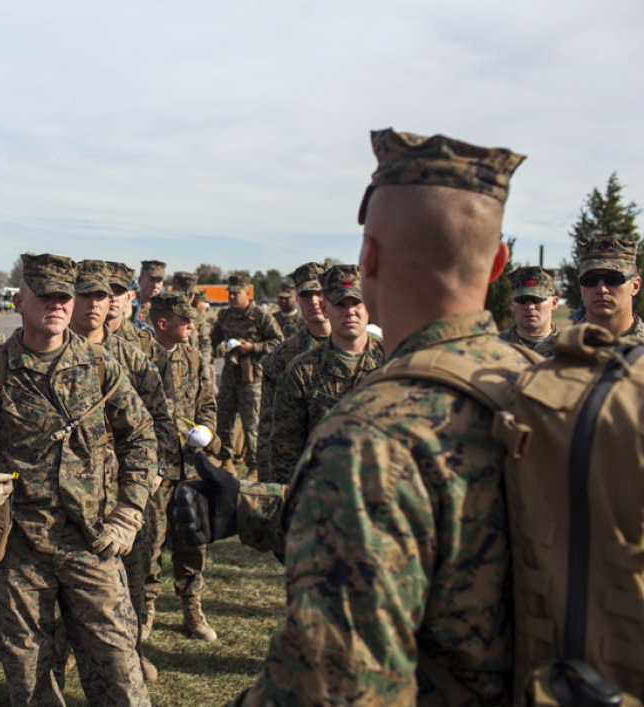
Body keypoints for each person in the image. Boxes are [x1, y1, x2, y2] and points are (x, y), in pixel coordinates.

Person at [176, 129, 531, 703]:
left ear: (368, 260)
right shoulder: (551, 392)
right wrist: (255, 504)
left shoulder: (372, 434)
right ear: (498, 264)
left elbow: (329, 687)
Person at [0, 253, 157, 707]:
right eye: (45, 296)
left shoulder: (99, 367)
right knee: (31, 679)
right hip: (18, 548)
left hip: (90, 541)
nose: (55, 305)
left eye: (63, 296)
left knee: (119, 670)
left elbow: (141, 438)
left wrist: (130, 512)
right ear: (20, 300)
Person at [70, 260, 177, 681]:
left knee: (130, 581)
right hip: (72, 493)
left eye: (113, 291)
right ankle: (69, 652)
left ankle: (129, 653)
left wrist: (152, 475)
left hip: (126, 496)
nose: (105, 301)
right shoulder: (52, 350)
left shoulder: (132, 358)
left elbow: (162, 423)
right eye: (94, 292)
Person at [143, 292, 219, 644]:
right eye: (184, 319)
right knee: (149, 548)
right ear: (162, 323)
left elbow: (207, 402)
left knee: (192, 542)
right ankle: (145, 616)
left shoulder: (196, 358)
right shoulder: (140, 357)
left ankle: (192, 610)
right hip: (154, 472)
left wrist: (207, 429)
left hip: (190, 469)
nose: (192, 324)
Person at [267, 264, 384, 483]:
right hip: (324, 499)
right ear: (326, 309)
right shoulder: (303, 371)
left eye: (356, 302)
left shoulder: (393, 360)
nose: (349, 311)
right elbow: (285, 453)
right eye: (340, 304)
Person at [256, 261, 330, 481]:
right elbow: (269, 428)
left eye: (320, 293)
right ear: (298, 299)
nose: (314, 301)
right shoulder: (282, 357)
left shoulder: (365, 348)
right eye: (306, 295)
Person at [209, 273, 283, 476]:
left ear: (247, 293)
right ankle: (226, 460)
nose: (232, 297)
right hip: (229, 374)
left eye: (236, 293)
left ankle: (254, 465)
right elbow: (212, 340)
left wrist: (253, 347)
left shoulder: (260, 316)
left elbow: (278, 342)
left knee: (252, 423)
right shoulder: (224, 315)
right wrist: (218, 349)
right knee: (225, 419)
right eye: (230, 293)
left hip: (251, 376)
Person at [576, 236, 644, 341]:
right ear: (581, 286)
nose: (602, 290)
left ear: (635, 286)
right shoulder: (554, 351)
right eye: (590, 280)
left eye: (613, 279)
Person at [499, 265, 560, 356]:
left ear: (554, 303)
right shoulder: (495, 345)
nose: (530, 306)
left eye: (537, 299)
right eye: (521, 300)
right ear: (512, 304)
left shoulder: (569, 346)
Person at [131, 260, 165, 333]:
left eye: (159, 281)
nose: (155, 285)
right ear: (140, 280)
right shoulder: (130, 305)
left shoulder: (165, 310)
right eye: (151, 280)